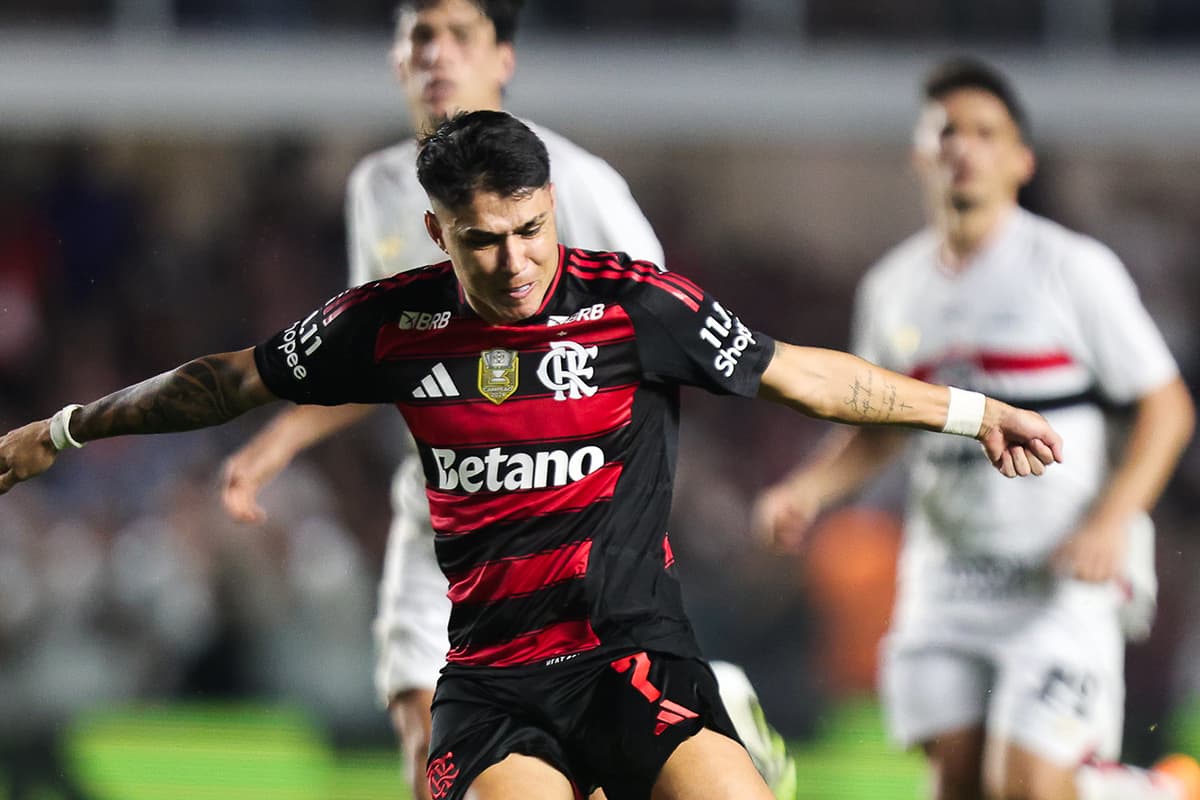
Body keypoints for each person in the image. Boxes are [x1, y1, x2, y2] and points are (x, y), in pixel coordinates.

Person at [0, 110, 1064, 800]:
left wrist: (972, 412)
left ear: (551, 207)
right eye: (482, 240)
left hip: (633, 658)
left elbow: (804, 376)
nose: (514, 262)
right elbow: (224, 381)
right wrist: (63, 429)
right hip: (498, 684)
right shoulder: (391, 322)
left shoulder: (634, 306)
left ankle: (725, 719)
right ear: (439, 233)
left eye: (529, 230)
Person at [216, 1, 794, 797]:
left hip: (562, 521)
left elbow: (661, 332)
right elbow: (384, 354)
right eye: (421, 36)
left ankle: (711, 712)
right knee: (427, 753)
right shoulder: (376, 186)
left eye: (461, 35)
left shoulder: (577, 184)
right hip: (442, 514)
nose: (438, 55)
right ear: (395, 58)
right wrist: (281, 439)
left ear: (504, 57)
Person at [753, 58, 1199, 800]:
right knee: (958, 786)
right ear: (918, 153)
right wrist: (809, 488)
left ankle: (1157, 793)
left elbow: (1167, 406)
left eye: (987, 133)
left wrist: (1111, 522)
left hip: (1057, 577)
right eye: (947, 132)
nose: (964, 148)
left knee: (1026, 786)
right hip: (947, 579)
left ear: (1021, 160)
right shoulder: (894, 287)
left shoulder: (1071, 270)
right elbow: (883, 424)